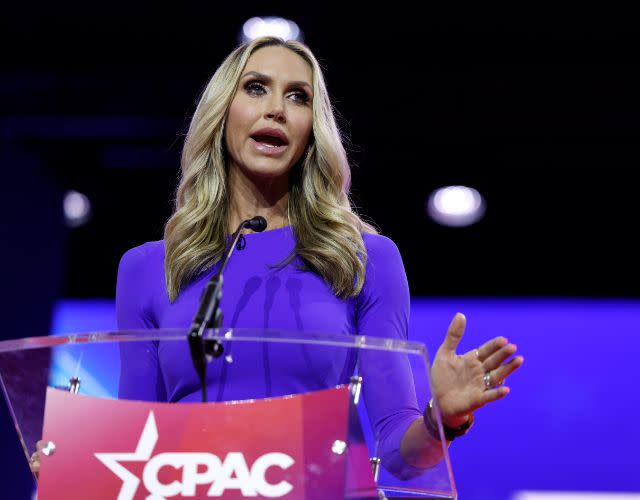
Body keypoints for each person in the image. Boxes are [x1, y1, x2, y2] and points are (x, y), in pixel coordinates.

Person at [115, 36, 523, 479]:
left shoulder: (365, 259)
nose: (277, 109)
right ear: (221, 112)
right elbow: (134, 442)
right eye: (256, 88)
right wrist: (80, 465)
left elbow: (399, 453)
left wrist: (438, 419)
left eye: (298, 97)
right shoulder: (149, 268)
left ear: (312, 128)